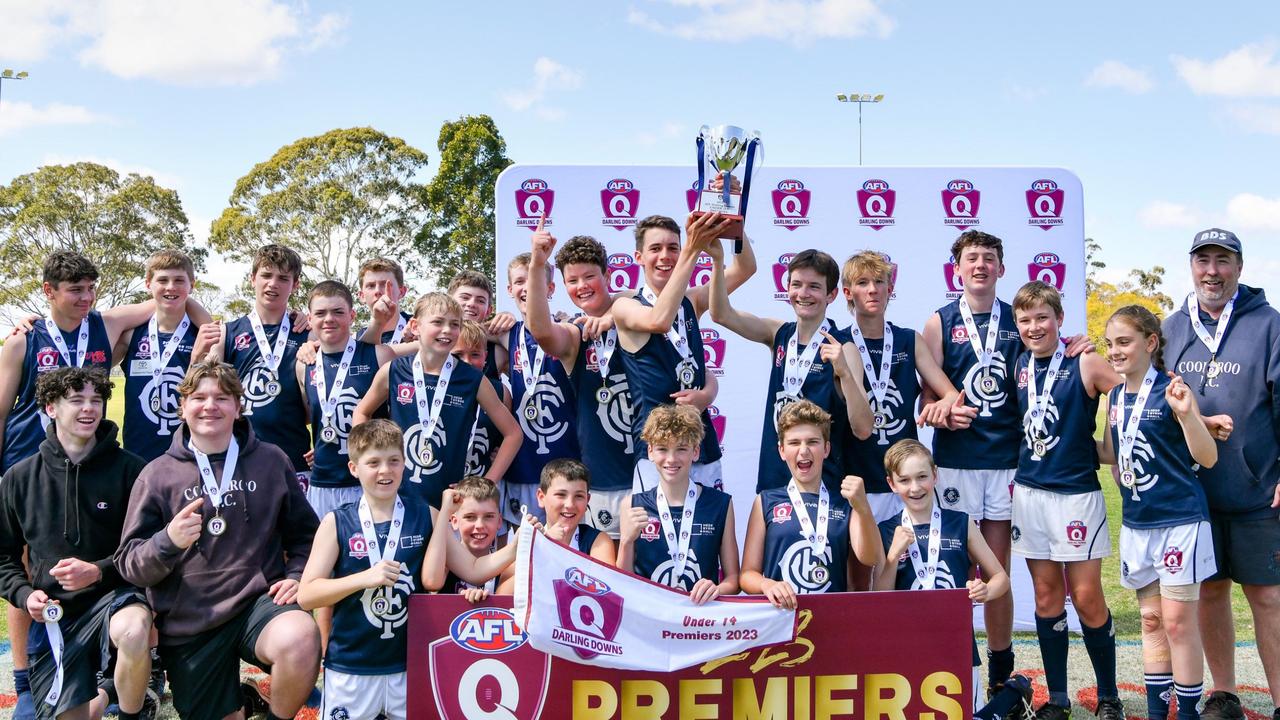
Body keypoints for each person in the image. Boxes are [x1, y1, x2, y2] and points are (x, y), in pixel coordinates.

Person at [0, 250, 176, 719]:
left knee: (118, 547)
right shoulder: (23, 340)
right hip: (29, 459)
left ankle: (131, 679)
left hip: (90, 459)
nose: (85, 298)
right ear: (48, 292)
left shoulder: (106, 322)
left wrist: (207, 322)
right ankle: (26, 679)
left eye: (90, 288)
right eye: (74, 289)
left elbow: (171, 296)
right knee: (30, 569)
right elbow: (1, 411)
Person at [922, 230, 1090, 694]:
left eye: (989, 258)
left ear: (1001, 268)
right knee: (952, 567)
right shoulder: (938, 322)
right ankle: (953, 660)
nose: (980, 265)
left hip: (1008, 460)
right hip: (955, 461)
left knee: (996, 568)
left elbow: (1047, 353)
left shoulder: (1016, 320)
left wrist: (1081, 343)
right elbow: (926, 393)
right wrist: (936, 407)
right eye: (971, 258)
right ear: (955, 268)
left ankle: (999, 667)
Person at [115, 361, 322, 720]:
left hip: (257, 602)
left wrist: (297, 574)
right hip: (190, 619)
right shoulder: (158, 474)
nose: (210, 406)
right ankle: (242, 700)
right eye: (198, 397)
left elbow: (306, 533)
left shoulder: (271, 461)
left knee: (301, 637)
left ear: (238, 406)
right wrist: (168, 540)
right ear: (182, 407)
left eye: (222, 398)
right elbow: (130, 562)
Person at [1161, 227, 1280, 720]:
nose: (1212, 270)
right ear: (1191, 266)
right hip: (1193, 493)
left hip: (1257, 488)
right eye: (1203, 260)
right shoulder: (1169, 328)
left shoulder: (1269, 324)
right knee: (1209, 591)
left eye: (1223, 260)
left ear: (1239, 267)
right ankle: (1225, 693)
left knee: (1268, 598)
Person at [0, 367, 155, 720]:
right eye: (76, 400)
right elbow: (3, 557)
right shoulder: (19, 478)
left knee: (133, 630)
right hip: (56, 617)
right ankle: (104, 694)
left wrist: (98, 572)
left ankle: (134, 713)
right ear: (51, 408)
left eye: (96, 400)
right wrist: (26, 596)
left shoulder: (132, 470)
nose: (89, 409)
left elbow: (150, 549)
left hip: (116, 598)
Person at [1010, 281, 1123, 720]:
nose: (1034, 327)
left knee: (1087, 596)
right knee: (1045, 596)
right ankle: (1058, 697)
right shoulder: (1020, 364)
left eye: (1043, 317)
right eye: (1026, 319)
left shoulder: (1086, 359)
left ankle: (1109, 695)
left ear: (1059, 319)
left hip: (1077, 495)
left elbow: (1129, 391)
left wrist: (1112, 445)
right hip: (1031, 494)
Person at [1102, 305, 1219, 720]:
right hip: (1137, 523)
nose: (1115, 352)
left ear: (1150, 343)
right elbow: (1113, 452)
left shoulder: (1173, 390)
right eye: (1110, 344)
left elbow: (1207, 457)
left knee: (1176, 623)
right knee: (1151, 621)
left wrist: (1189, 416)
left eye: (1124, 342)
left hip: (1179, 521)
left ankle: (1187, 714)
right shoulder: (1115, 396)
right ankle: (1157, 714)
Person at [298, 419, 444, 720]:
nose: (385, 471)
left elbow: (474, 568)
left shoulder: (425, 514)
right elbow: (307, 595)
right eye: (373, 462)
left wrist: (520, 543)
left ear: (405, 463)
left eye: (393, 461)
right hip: (351, 666)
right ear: (354, 468)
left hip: (409, 664)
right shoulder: (336, 522)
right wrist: (363, 578)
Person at [708, 245, 877, 493]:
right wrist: (718, 259)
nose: (803, 293)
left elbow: (863, 429)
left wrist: (845, 373)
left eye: (814, 286)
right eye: (796, 284)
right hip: (774, 478)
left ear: (831, 295)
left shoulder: (844, 348)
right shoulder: (778, 333)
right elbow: (721, 314)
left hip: (823, 485)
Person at [612, 213, 753, 491]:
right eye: (656, 249)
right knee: (658, 534)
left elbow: (746, 268)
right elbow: (658, 321)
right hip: (658, 453)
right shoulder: (625, 306)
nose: (665, 256)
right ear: (638, 256)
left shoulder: (692, 300)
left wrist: (733, 220)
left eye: (673, 248)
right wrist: (691, 248)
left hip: (701, 444)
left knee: (708, 530)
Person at [872, 439, 1010, 713]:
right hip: (903, 648)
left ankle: (1013, 692)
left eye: (922, 477)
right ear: (892, 484)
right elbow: (879, 597)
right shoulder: (886, 530)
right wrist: (891, 557)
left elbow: (1001, 579)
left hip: (957, 646)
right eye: (905, 480)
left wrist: (986, 591)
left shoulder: (960, 523)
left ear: (935, 475)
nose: (915, 487)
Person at [353, 294, 520, 508]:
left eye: (454, 324)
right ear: (415, 326)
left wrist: (487, 483)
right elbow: (362, 412)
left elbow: (513, 434)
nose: (447, 330)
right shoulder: (394, 371)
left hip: (451, 503)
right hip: (398, 497)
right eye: (438, 322)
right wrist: (367, 459)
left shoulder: (473, 379)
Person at [524, 231, 635, 538]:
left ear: (607, 275)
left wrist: (616, 313)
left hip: (651, 476)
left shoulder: (640, 316)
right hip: (599, 484)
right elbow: (541, 331)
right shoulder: (576, 335)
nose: (582, 286)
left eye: (590, 276)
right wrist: (537, 264)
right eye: (572, 281)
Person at [840, 250, 959, 523]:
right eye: (863, 282)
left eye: (880, 282)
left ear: (890, 289)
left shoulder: (909, 340)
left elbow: (950, 394)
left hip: (905, 480)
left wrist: (941, 404)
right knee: (859, 563)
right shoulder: (838, 341)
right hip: (856, 476)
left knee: (907, 560)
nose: (872, 290)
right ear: (847, 292)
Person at [192, 244, 313, 490]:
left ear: (295, 284)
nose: (273, 284)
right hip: (240, 454)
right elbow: (201, 388)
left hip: (295, 456)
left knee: (298, 528)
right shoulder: (228, 331)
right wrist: (197, 355)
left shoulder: (307, 332)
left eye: (283, 278)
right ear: (252, 279)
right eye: (266, 275)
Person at [740, 400, 883, 608]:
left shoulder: (844, 503)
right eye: (794, 443)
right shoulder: (765, 501)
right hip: (780, 621)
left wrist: (863, 508)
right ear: (781, 450)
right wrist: (767, 584)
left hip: (832, 619)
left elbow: (869, 558)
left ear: (826, 449)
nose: (804, 451)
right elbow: (746, 575)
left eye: (812, 442)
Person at [494, 247, 582, 525]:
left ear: (551, 287)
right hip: (522, 468)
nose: (527, 288)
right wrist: (493, 323)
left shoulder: (571, 329)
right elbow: (467, 336)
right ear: (509, 289)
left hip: (567, 466)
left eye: (534, 281)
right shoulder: (508, 334)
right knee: (521, 554)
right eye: (519, 282)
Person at [617, 404, 739, 604]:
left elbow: (733, 580)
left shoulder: (720, 504)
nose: (671, 459)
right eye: (662, 449)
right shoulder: (632, 505)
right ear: (650, 452)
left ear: (696, 452)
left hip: (699, 621)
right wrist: (626, 541)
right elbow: (623, 583)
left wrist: (717, 589)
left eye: (681, 449)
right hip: (650, 617)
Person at [120, 250, 214, 463]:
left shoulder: (203, 335)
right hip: (137, 456)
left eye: (179, 280)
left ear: (192, 284)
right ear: (148, 284)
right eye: (162, 280)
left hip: (190, 456)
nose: (171, 287)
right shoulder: (130, 335)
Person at [453, 321, 510, 480]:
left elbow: (508, 438)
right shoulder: (432, 390)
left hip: (481, 488)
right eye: (457, 355)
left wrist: (490, 480)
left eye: (475, 354)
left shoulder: (500, 392)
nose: (466, 361)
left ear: (485, 356)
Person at [441, 476, 511, 601]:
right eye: (470, 517)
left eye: (488, 516)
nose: (479, 525)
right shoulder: (443, 566)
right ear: (454, 521)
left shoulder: (507, 568)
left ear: (499, 522)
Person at [536, 458, 616, 563]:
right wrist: (544, 546)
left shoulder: (598, 541)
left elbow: (606, 578)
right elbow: (511, 577)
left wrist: (562, 551)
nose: (570, 505)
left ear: (587, 500)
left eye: (578, 496)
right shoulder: (530, 539)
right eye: (561, 494)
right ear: (541, 497)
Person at [355, 258, 415, 344]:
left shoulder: (420, 328)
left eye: (385, 284)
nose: (377, 291)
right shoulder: (355, 341)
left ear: (402, 292)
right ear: (362, 296)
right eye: (371, 286)